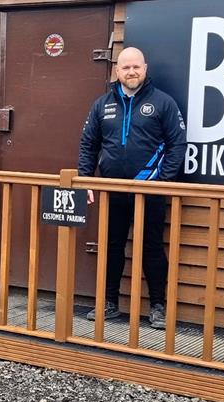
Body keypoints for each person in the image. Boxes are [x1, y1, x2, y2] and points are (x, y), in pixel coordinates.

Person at [78, 47, 187, 329]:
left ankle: (158, 308)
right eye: (125, 67)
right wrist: (85, 179)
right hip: (113, 190)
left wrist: (163, 184)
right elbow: (89, 145)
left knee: (150, 247)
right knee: (112, 246)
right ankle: (109, 304)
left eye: (136, 67)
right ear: (117, 71)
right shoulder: (102, 105)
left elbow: (177, 145)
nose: (131, 72)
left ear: (145, 68)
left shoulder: (164, 103)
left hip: (150, 191)